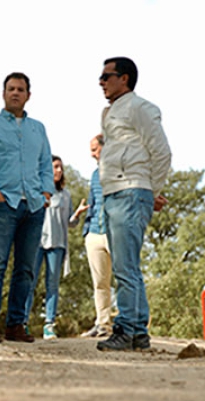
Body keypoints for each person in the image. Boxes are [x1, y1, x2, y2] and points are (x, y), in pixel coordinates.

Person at [95, 56, 171, 351]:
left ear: (124, 79)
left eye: (106, 76)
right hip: (115, 192)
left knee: (126, 267)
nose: (101, 82)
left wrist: (151, 191)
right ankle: (138, 332)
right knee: (126, 267)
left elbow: (162, 151)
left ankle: (126, 329)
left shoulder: (140, 108)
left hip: (129, 192)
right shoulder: (112, 112)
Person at [0, 72, 53, 344]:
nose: (15, 93)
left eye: (20, 89)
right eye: (10, 89)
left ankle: (16, 324)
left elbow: (45, 164)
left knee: (27, 268)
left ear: (28, 95)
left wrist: (44, 194)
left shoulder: (38, 128)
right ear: (3, 93)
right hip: (3, 204)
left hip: (32, 205)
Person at [24, 155, 80, 340]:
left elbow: (69, 222)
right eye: (55, 167)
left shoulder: (65, 195)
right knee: (29, 283)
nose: (59, 171)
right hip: (37, 242)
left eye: (60, 168)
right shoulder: (37, 190)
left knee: (52, 285)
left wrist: (77, 214)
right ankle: (21, 322)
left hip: (57, 243)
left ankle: (49, 325)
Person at [79, 134, 113, 339]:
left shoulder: (119, 170)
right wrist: (87, 230)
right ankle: (102, 324)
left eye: (94, 149)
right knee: (99, 283)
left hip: (114, 232)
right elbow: (92, 202)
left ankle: (132, 325)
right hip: (94, 233)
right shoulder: (93, 175)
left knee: (127, 279)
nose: (92, 154)